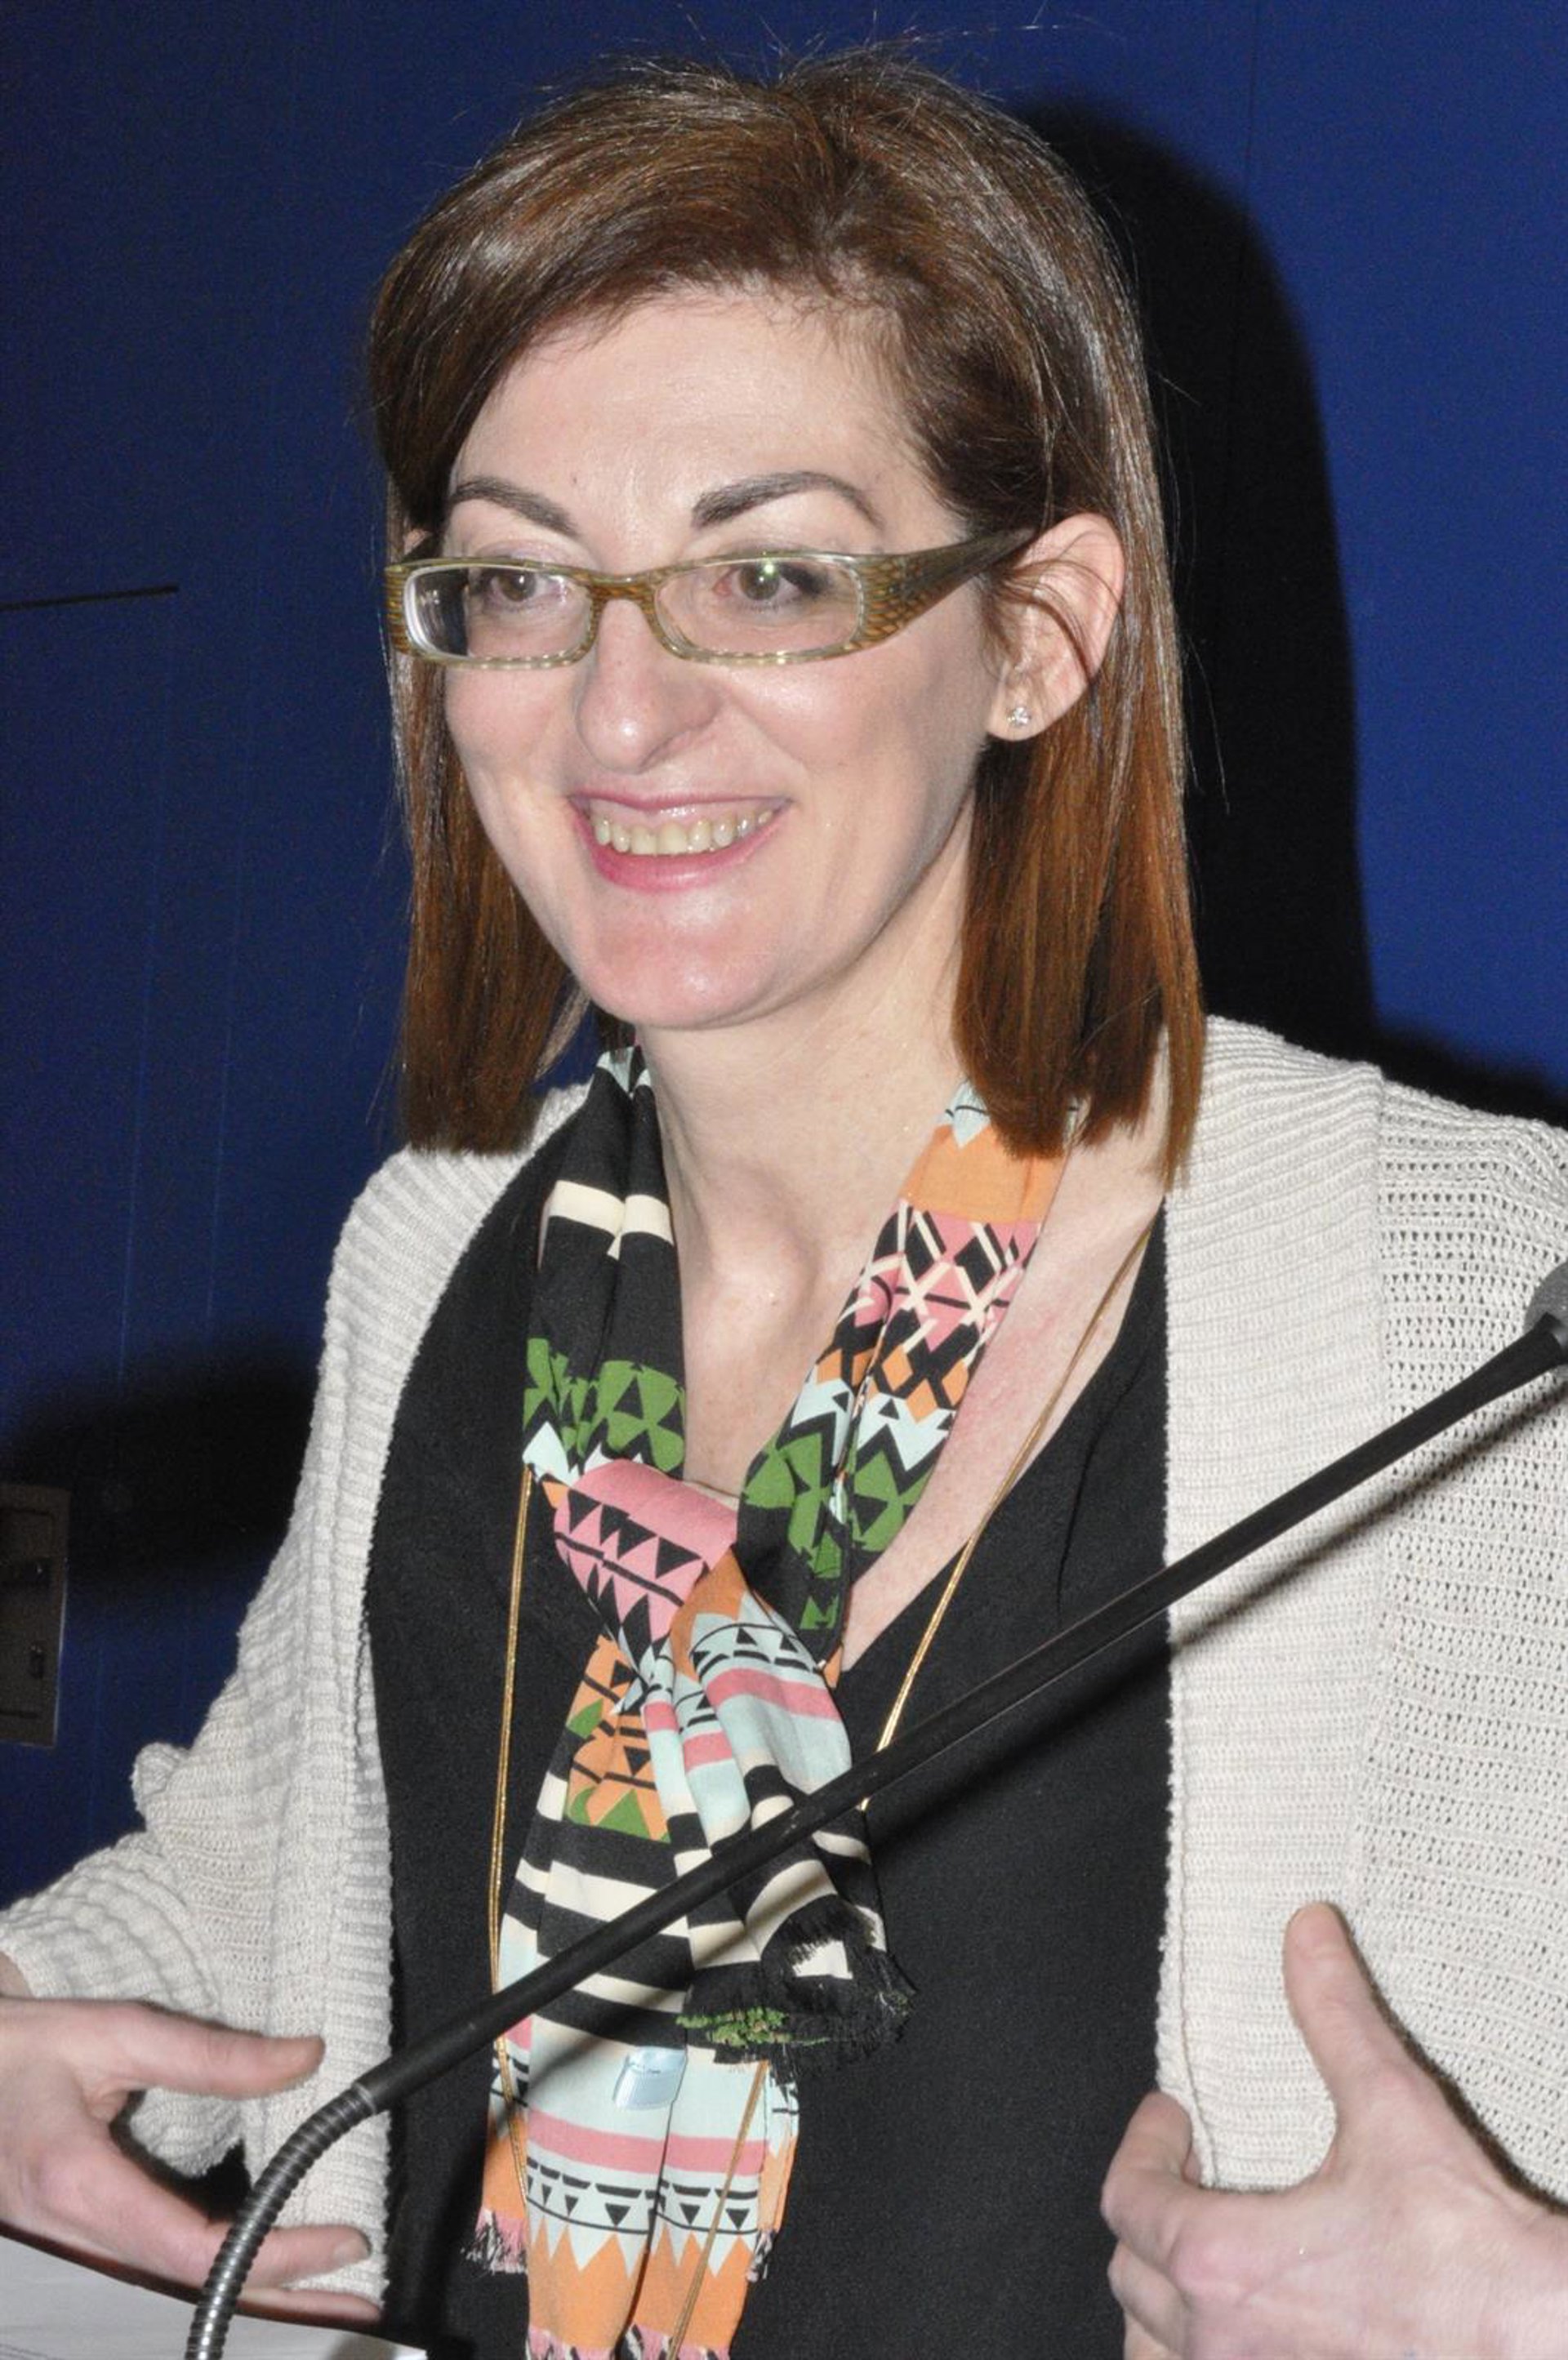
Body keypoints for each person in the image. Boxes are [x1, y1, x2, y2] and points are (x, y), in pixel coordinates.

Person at [2, 49, 1566, 2360]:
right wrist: (24, 2009)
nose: (618, 715)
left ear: (1037, 634)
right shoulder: (439, 1253)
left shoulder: (1462, 1310)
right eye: (519, 581)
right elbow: (268, 1871)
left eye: (768, 575)